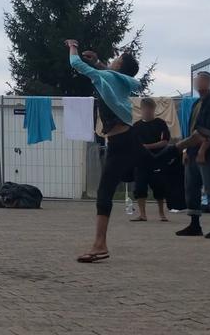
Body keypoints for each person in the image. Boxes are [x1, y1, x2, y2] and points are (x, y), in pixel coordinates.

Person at [65, 40, 141, 263]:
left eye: (116, 61)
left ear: (119, 67)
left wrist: (73, 46)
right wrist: (99, 61)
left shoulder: (105, 78)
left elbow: (76, 64)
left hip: (121, 143)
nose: (112, 62)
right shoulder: (124, 82)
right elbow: (112, 73)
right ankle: (100, 243)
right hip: (126, 139)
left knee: (104, 192)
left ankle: (100, 245)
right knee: (109, 190)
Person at [173, 71, 210, 239]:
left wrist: (202, 151)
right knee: (191, 187)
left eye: (202, 80)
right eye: (197, 80)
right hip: (192, 152)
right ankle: (194, 224)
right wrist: (186, 150)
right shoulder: (197, 103)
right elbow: (191, 130)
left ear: (209, 83)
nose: (198, 83)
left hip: (208, 153)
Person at [131, 98, 170, 222]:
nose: (147, 111)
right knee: (139, 188)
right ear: (141, 109)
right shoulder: (136, 126)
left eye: (150, 109)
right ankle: (142, 214)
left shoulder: (160, 123)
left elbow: (164, 142)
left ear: (154, 109)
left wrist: (147, 147)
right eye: (145, 109)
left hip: (157, 160)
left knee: (159, 188)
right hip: (141, 162)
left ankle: (161, 213)